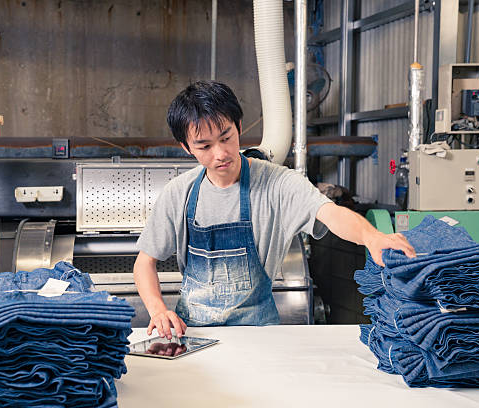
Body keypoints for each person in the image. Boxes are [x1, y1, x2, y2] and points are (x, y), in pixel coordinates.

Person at [134, 81, 415, 339]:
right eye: (204, 146)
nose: (220, 153)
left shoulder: (278, 183)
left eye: (226, 137)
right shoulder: (179, 192)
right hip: (193, 335)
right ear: (186, 147)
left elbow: (330, 212)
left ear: (239, 126)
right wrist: (158, 310)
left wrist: (372, 237)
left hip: (260, 338)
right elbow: (144, 262)